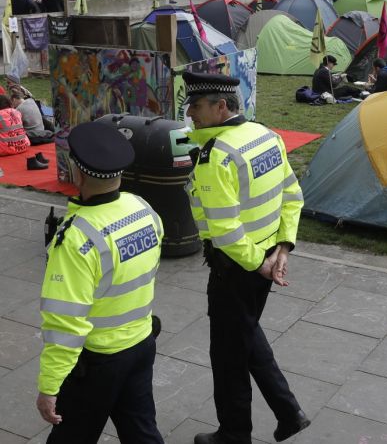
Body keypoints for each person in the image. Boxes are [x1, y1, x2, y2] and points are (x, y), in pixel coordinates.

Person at [183, 72, 310, 444]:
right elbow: (292, 195)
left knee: (227, 355)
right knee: (246, 334)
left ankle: (235, 433)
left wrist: (260, 262)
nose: (190, 112)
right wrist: (281, 249)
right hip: (263, 261)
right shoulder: (264, 134)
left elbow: (225, 232)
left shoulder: (217, 156)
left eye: (197, 105)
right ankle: (289, 413)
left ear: (221, 107)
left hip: (236, 267)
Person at [36, 120, 165, 444]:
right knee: (141, 432)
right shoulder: (143, 209)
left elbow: (65, 324)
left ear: (76, 172)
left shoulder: (77, 237)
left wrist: (49, 387)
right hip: (140, 344)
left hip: (98, 362)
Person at [8, 77, 53, 145]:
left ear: (14, 99)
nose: (12, 106)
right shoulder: (31, 101)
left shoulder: (18, 110)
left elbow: (14, 127)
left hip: (33, 137)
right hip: (43, 132)